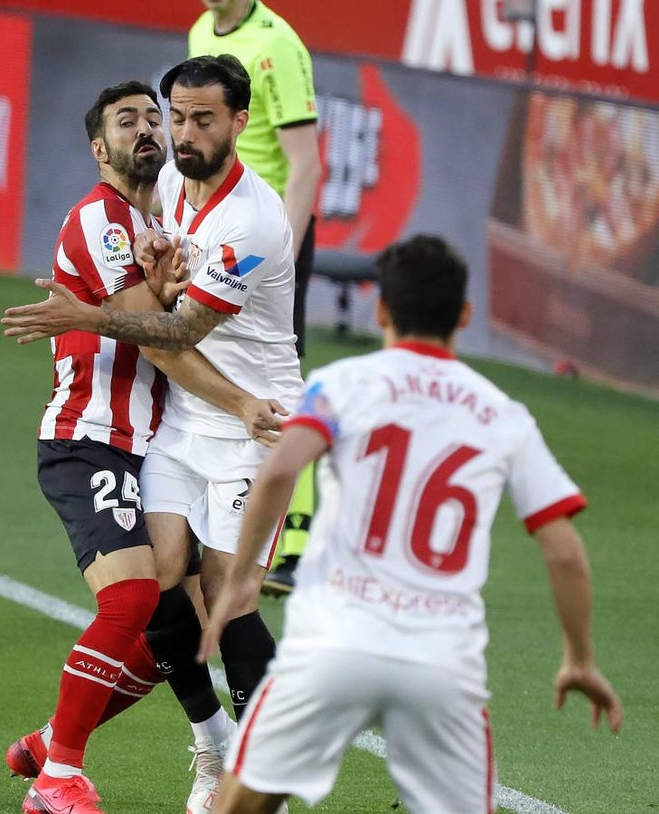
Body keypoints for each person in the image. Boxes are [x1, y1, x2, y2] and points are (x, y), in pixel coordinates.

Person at [198, 234, 625, 813]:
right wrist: (579, 658)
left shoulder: (342, 383)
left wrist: (239, 584)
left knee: (241, 804)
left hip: (333, 643)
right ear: (465, 315)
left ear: (381, 311)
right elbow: (566, 554)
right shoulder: (503, 415)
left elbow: (278, 474)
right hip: (441, 662)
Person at [3, 54, 302, 813]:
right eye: (174, 116)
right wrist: (152, 277)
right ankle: (198, 750)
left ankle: (248, 776)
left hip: (252, 425)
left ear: (240, 123)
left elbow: (175, 332)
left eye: (201, 118)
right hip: (164, 428)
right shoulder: (158, 190)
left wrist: (98, 310)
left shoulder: (252, 219)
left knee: (221, 602)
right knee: (157, 586)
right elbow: (161, 312)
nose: (179, 132)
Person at [190, 0, 324, 595]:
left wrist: (281, 260)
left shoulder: (280, 46)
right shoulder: (202, 29)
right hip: (219, 234)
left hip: (269, 242)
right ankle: (214, 511)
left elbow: (306, 167)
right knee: (214, 365)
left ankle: (294, 537)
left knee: (279, 377)